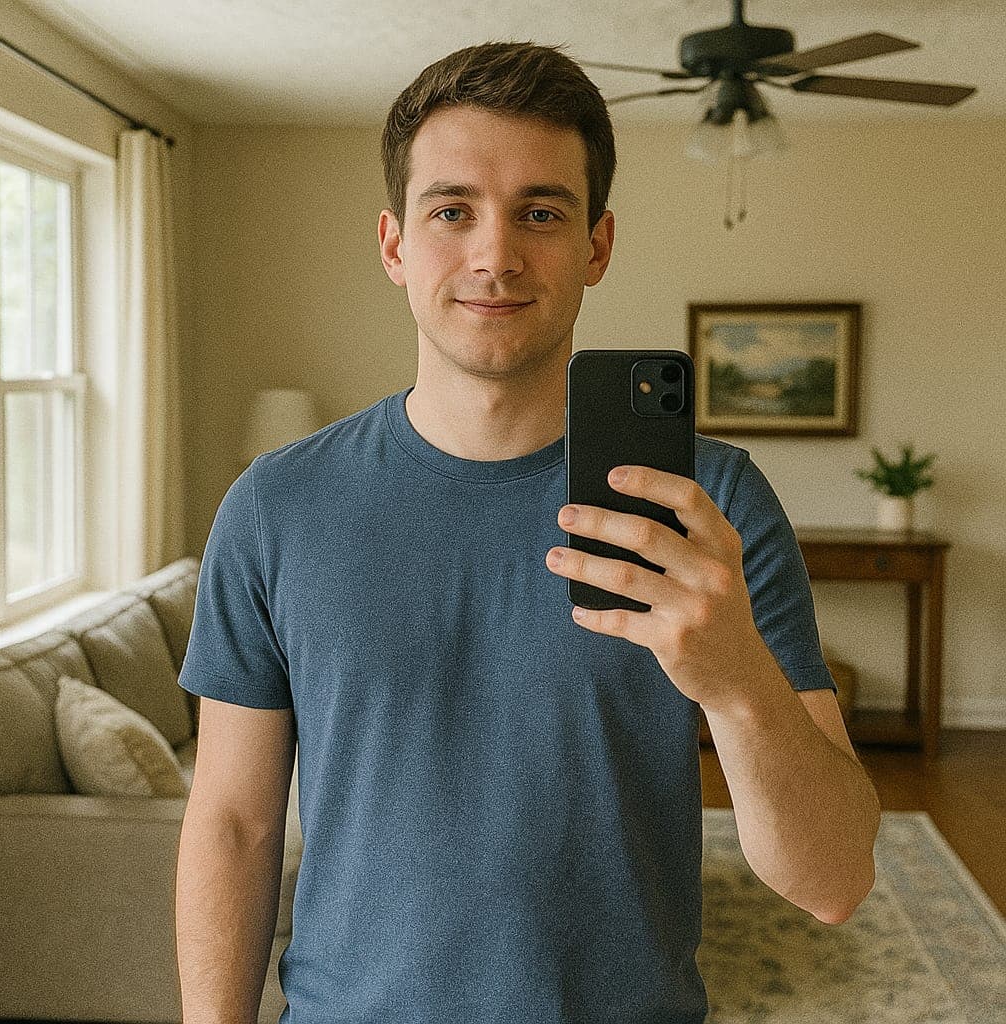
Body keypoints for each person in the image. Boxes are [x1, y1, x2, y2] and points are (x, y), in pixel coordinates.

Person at [175, 41, 880, 1024]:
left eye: (541, 212)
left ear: (596, 244)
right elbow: (235, 824)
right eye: (451, 209)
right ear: (393, 244)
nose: (494, 254)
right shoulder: (272, 505)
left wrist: (739, 680)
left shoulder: (709, 501)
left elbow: (834, 879)